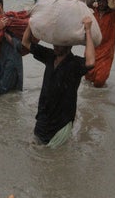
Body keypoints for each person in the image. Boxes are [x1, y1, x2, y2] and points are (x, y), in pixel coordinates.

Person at [22, 17, 96, 147]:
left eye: (59, 44)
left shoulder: (75, 64)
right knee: (36, 151)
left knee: (55, 157)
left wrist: (88, 31)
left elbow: (90, 62)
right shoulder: (50, 56)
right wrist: (30, 23)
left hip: (62, 121)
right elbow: (26, 44)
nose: (55, 46)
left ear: (69, 45)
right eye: (54, 42)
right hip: (43, 116)